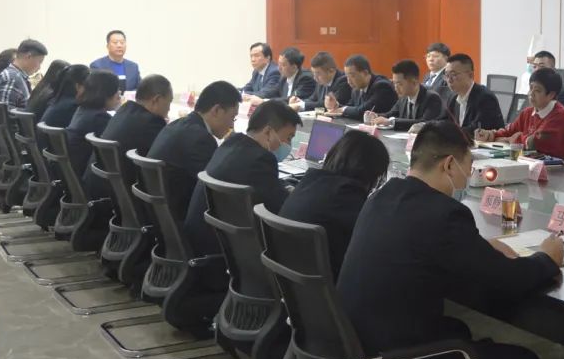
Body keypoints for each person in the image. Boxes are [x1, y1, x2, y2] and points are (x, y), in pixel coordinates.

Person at [338, 121, 564, 359]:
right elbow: (506, 281)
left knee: (455, 330)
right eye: (468, 166)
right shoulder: (444, 214)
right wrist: (547, 259)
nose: (467, 176)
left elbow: (430, 247)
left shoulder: (383, 195)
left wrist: (476, 249)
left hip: (353, 349)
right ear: (448, 165)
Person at [182, 101, 301, 291]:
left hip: (199, 245)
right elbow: (283, 211)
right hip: (220, 260)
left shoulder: (231, 144)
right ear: (268, 132)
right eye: (288, 137)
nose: (288, 145)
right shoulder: (261, 159)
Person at [279, 131, 389, 279]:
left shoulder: (308, 183)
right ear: (371, 173)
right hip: (325, 288)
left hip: (285, 281)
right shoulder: (348, 200)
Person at [147, 81, 242, 222]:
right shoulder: (200, 139)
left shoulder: (178, 124)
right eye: (232, 118)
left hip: (160, 215)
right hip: (179, 219)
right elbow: (217, 188)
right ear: (216, 110)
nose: (232, 125)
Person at [82, 74, 173, 202]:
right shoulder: (152, 123)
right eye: (169, 102)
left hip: (96, 191)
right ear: (156, 100)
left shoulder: (125, 110)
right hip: (115, 199)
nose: (169, 108)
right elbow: (164, 161)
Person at [476, 68, 564, 158]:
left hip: (556, 167)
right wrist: (490, 135)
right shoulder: (528, 112)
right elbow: (510, 131)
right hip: (529, 161)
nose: (531, 93)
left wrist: (511, 139)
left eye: (537, 90)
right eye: (531, 88)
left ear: (551, 95)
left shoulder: (560, 115)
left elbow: (535, 143)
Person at [64, 69, 122, 178]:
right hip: (86, 176)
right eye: (117, 91)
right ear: (107, 93)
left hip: (73, 175)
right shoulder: (99, 118)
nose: (119, 95)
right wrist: (121, 110)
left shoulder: (82, 110)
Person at [439, 53, 505, 136]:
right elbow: (444, 122)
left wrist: (447, 132)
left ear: (470, 75)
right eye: (447, 75)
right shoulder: (453, 97)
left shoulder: (485, 98)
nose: (449, 80)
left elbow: (476, 130)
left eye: (453, 75)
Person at [373, 59, 444, 130]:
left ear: (414, 82)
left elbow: (424, 123)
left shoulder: (431, 98)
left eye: (399, 84)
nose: (395, 88)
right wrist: (375, 116)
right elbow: (391, 114)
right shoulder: (403, 97)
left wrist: (391, 122)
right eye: (394, 83)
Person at [325, 54, 398, 120]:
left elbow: (362, 111)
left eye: (352, 76)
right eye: (347, 77)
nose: (349, 81)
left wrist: (342, 109)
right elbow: (351, 106)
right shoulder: (357, 88)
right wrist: (336, 105)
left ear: (365, 73)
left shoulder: (382, 87)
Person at [0, 40, 48, 110]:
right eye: (39, 62)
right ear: (28, 56)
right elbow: (5, 114)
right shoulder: (12, 78)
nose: (39, 67)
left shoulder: (16, 76)